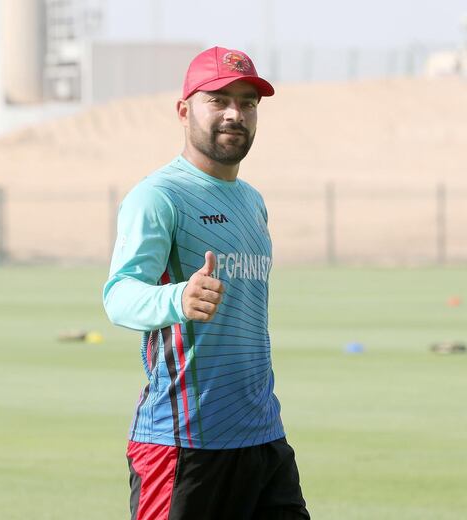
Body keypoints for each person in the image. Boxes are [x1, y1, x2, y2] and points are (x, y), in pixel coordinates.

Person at [103, 46, 310, 520]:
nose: (235, 113)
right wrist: (179, 296)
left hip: (262, 436)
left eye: (248, 102)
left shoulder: (253, 202)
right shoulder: (159, 197)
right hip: (183, 443)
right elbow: (119, 296)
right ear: (184, 110)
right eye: (218, 100)